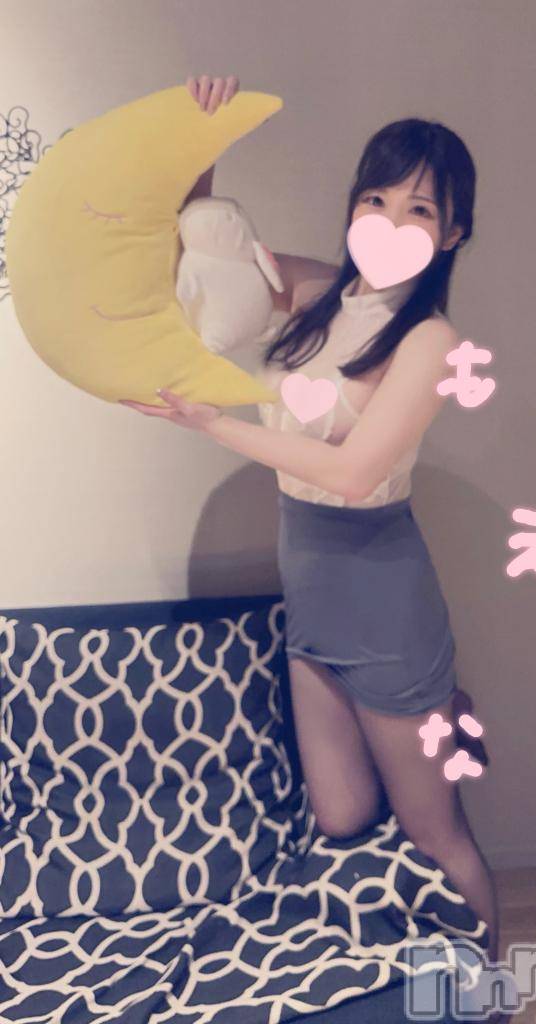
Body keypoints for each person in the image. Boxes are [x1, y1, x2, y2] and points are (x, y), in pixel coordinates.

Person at [121, 73, 510, 1024]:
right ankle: (395, 954)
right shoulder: (315, 293)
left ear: (452, 232)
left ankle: (493, 991)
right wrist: (203, 139)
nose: (389, 219)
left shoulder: (430, 342)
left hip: (381, 596)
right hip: (311, 592)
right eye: (375, 197)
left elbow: (351, 471)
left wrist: (212, 425)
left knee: (433, 828)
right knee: (339, 815)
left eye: (419, 208)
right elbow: (196, 254)